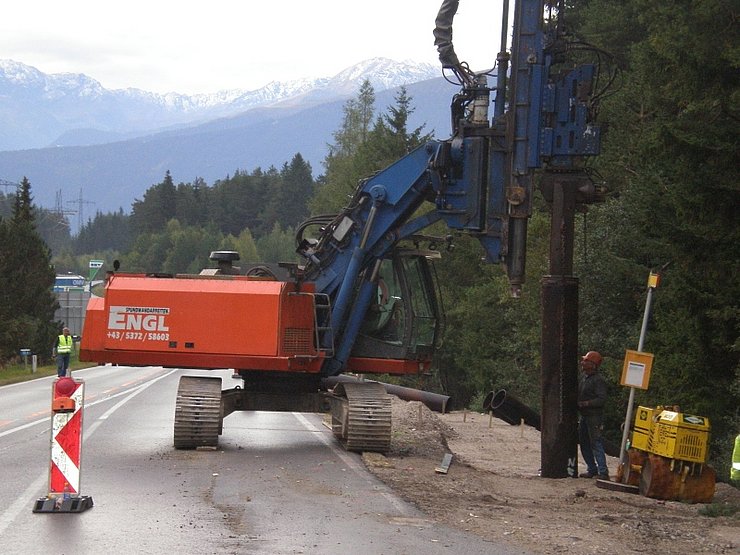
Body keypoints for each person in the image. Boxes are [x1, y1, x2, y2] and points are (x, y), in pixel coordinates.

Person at [577, 350, 609, 479]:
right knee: (584, 442)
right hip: (585, 416)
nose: (582, 363)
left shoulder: (598, 381)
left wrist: (586, 404)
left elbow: (601, 399)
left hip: (594, 417)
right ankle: (592, 469)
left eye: (585, 361)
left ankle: (603, 472)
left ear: (592, 364)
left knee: (596, 443)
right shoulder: (585, 378)